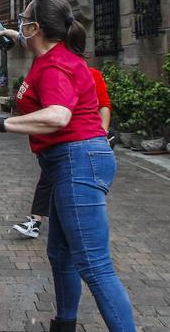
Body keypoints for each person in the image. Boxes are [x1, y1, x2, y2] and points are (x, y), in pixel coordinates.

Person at [0, 0, 136, 332]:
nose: (19, 23)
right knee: (60, 253)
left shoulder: (55, 65)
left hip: (78, 159)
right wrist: (16, 35)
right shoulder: (51, 56)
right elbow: (27, 43)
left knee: (94, 264)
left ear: (36, 27)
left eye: (24, 19)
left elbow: (59, 115)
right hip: (68, 161)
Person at [13, 67, 112, 239]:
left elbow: (104, 105)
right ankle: (40, 222)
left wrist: (101, 135)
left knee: (68, 191)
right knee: (49, 181)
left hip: (79, 143)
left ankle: (38, 222)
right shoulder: (50, 71)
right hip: (55, 143)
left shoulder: (89, 73)